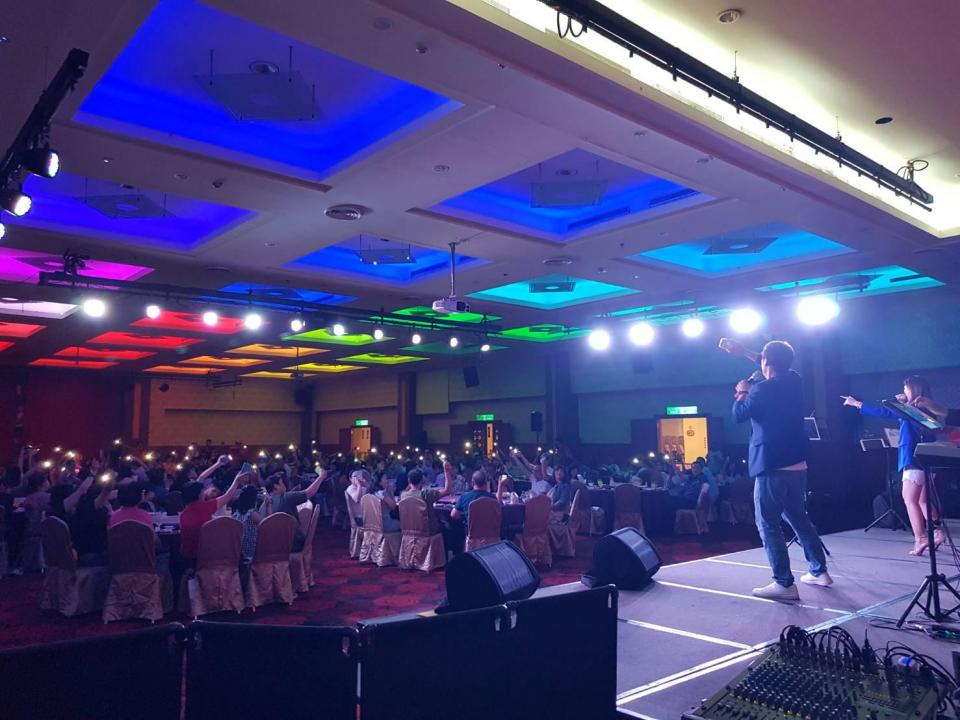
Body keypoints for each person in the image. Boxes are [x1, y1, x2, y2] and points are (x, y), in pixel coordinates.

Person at [729, 339, 831, 600]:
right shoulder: (794, 380)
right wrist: (744, 352)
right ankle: (819, 571)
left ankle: (784, 583)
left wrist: (742, 392)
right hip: (798, 465)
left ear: (767, 362)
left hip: (772, 465)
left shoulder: (760, 390)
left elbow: (738, 415)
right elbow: (772, 361)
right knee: (798, 517)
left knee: (767, 524)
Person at [843, 376, 942, 555]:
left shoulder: (911, 409)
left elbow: (885, 412)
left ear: (913, 389)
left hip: (913, 458)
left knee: (909, 499)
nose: (903, 391)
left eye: (905, 388)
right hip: (928, 458)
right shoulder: (927, 408)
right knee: (923, 500)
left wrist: (857, 404)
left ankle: (920, 538)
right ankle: (937, 532)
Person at [179, 461, 243, 567]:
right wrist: (236, 481)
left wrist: (218, 464)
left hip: (187, 557)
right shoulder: (205, 507)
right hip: (205, 556)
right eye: (202, 491)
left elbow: (199, 479)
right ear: (198, 495)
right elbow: (227, 496)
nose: (205, 492)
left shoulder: (184, 512)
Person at [260, 468, 328, 551]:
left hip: (269, 547)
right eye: (282, 483)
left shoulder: (263, 506)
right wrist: (321, 477)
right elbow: (310, 492)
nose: (284, 485)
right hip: (291, 544)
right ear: (276, 486)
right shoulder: (286, 497)